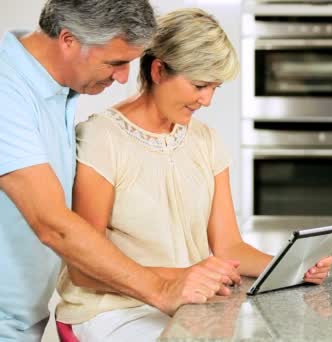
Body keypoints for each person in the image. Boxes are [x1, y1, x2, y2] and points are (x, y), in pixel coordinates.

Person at [54, 8, 332, 341]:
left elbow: (229, 246)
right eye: (200, 85)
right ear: (158, 70)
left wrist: (290, 267)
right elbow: (84, 268)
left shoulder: (206, 141)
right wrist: (180, 277)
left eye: (214, 87)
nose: (207, 99)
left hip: (190, 303)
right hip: (115, 310)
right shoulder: (102, 138)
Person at [0, 1, 235, 341]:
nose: (125, 76)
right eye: (115, 62)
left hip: (22, 321)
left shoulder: (54, 90)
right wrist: (162, 288)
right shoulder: (8, 92)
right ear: (68, 40)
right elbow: (54, 225)